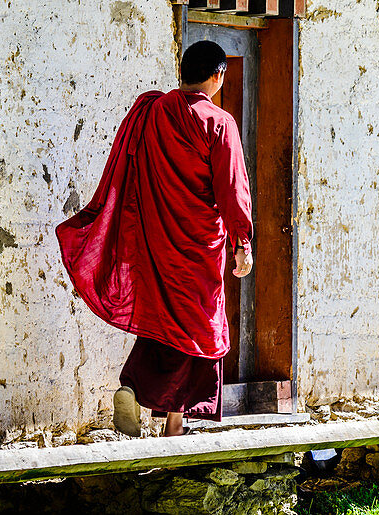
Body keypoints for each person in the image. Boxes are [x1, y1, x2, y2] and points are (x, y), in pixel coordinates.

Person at [56, 40, 253, 437]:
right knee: (198, 327)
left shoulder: (152, 112)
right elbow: (232, 189)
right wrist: (242, 242)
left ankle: (160, 410)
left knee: (168, 322)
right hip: (199, 245)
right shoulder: (219, 123)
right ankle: (159, 407)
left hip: (157, 239)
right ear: (217, 77)